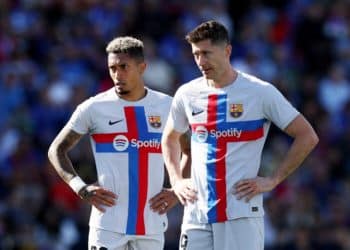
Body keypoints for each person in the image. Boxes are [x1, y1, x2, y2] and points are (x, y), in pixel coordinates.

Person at [161, 20, 319, 250]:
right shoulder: (187, 94)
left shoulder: (260, 92)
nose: (201, 62)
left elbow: (307, 136)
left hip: (241, 212)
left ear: (227, 51)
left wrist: (273, 179)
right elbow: (169, 138)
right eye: (196, 55)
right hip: (196, 213)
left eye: (206, 53)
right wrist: (176, 180)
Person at [48, 36, 190, 250]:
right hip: (107, 226)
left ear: (142, 67)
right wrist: (80, 188)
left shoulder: (167, 106)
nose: (117, 74)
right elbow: (56, 150)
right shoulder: (93, 108)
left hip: (151, 224)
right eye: (112, 68)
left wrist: (177, 190)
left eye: (124, 67)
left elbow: (190, 150)